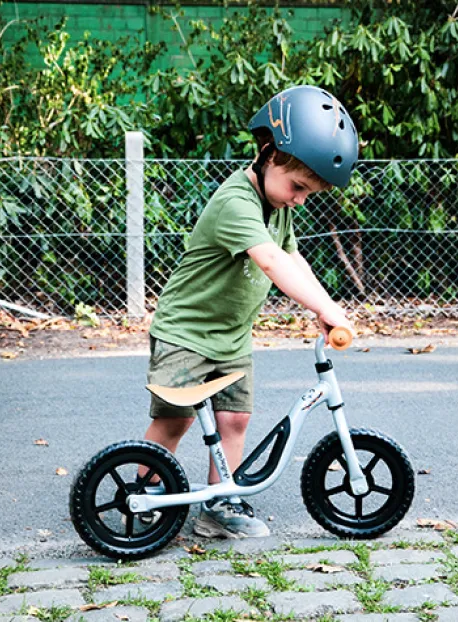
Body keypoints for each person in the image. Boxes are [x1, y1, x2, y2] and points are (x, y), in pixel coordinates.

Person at [143, 85, 359, 539]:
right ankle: (141, 493)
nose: (300, 199)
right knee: (175, 420)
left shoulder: (277, 205)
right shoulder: (236, 201)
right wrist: (325, 305)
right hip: (186, 333)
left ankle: (220, 503)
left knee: (234, 419)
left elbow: (294, 257)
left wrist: (325, 308)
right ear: (268, 154)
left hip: (233, 337)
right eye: (298, 187)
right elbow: (271, 261)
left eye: (309, 194)